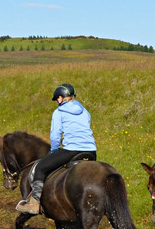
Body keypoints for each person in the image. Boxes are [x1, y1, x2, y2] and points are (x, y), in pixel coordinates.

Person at [15, 83, 97, 214]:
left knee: (41, 167)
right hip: (91, 151)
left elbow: (55, 136)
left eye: (57, 99)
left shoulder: (59, 112)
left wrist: (54, 152)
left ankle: (34, 204)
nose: (57, 102)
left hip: (71, 150)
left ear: (60, 98)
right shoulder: (84, 110)